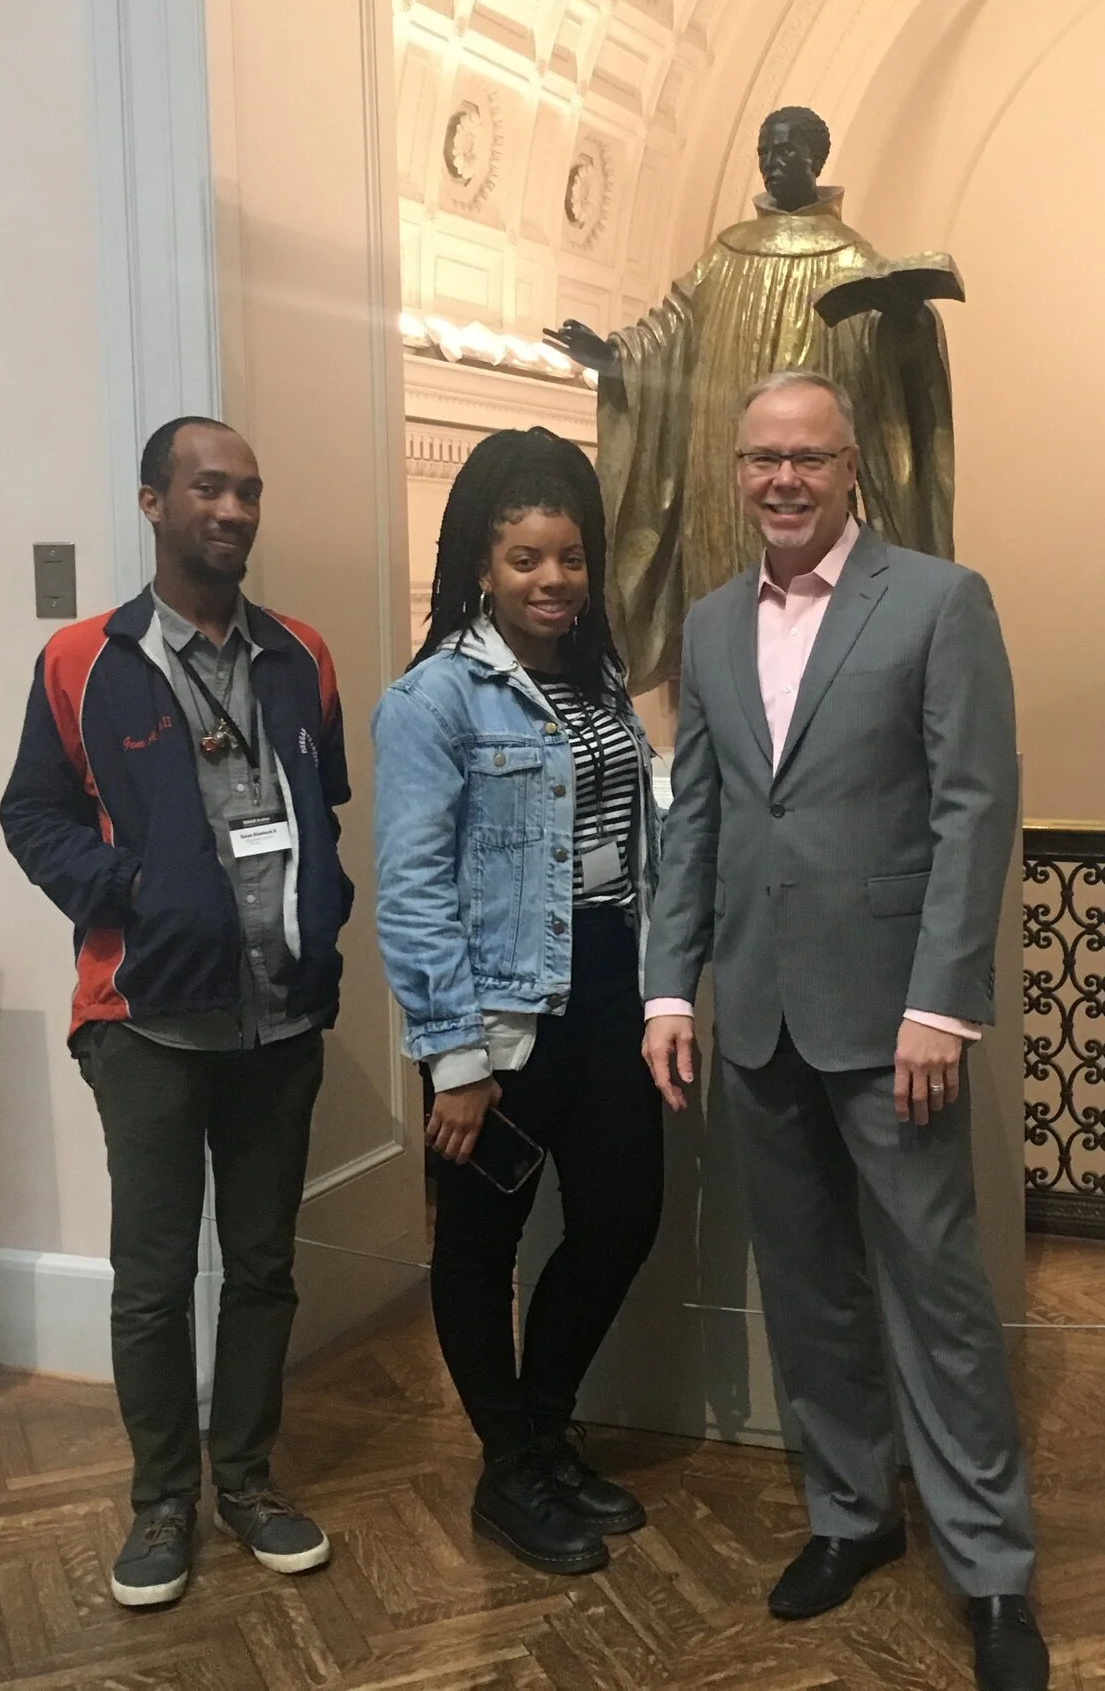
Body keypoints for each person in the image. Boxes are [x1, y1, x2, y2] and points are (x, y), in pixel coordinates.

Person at [642, 372, 1048, 1691]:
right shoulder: (708, 625)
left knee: (936, 1289)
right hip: (754, 1013)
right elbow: (694, 816)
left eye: (808, 458)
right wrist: (667, 987)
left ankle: (990, 1568)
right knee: (805, 1283)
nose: (784, 480)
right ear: (738, 471)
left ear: (852, 466)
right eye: (763, 458)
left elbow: (972, 809)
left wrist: (942, 1000)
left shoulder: (938, 600)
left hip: (892, 1022)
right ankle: (850, 1513)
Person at [0, 415, 351, 1610]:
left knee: (261, 1269)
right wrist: (128, 892)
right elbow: (32, 816)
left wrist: (322, 912)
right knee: (152, 1280)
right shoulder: (81, 661)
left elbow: (322, 806)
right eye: (208, 489)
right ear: (153, 502)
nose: (233, 511)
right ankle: (162, 1503)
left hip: (279, 1021)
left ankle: (246, 1480)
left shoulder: (304, 655)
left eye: (248, 491)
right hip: (146, 1023)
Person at [372, 427, 664, 1577]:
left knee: (620, 1218)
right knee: (479, 1244)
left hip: (608, 995)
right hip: (499, 1020)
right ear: (481, 568)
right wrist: (454, 1057)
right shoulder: (435, 699)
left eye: (571, 559)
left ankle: (540, 1428)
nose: (554, 582)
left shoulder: (595, 679)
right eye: (527, 560)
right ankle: (507, 1468)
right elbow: (411, 891)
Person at [545, 105, 960, 687]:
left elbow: (888, 368)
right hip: (726, 475)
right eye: (764, 151)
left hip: (803, 483)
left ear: (816, 159)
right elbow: (673, 329)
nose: (771, 163)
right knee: (723, 620)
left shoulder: (851, 258)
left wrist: (904, 322)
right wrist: (616, 357)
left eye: (786, 151)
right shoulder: (726, 253)